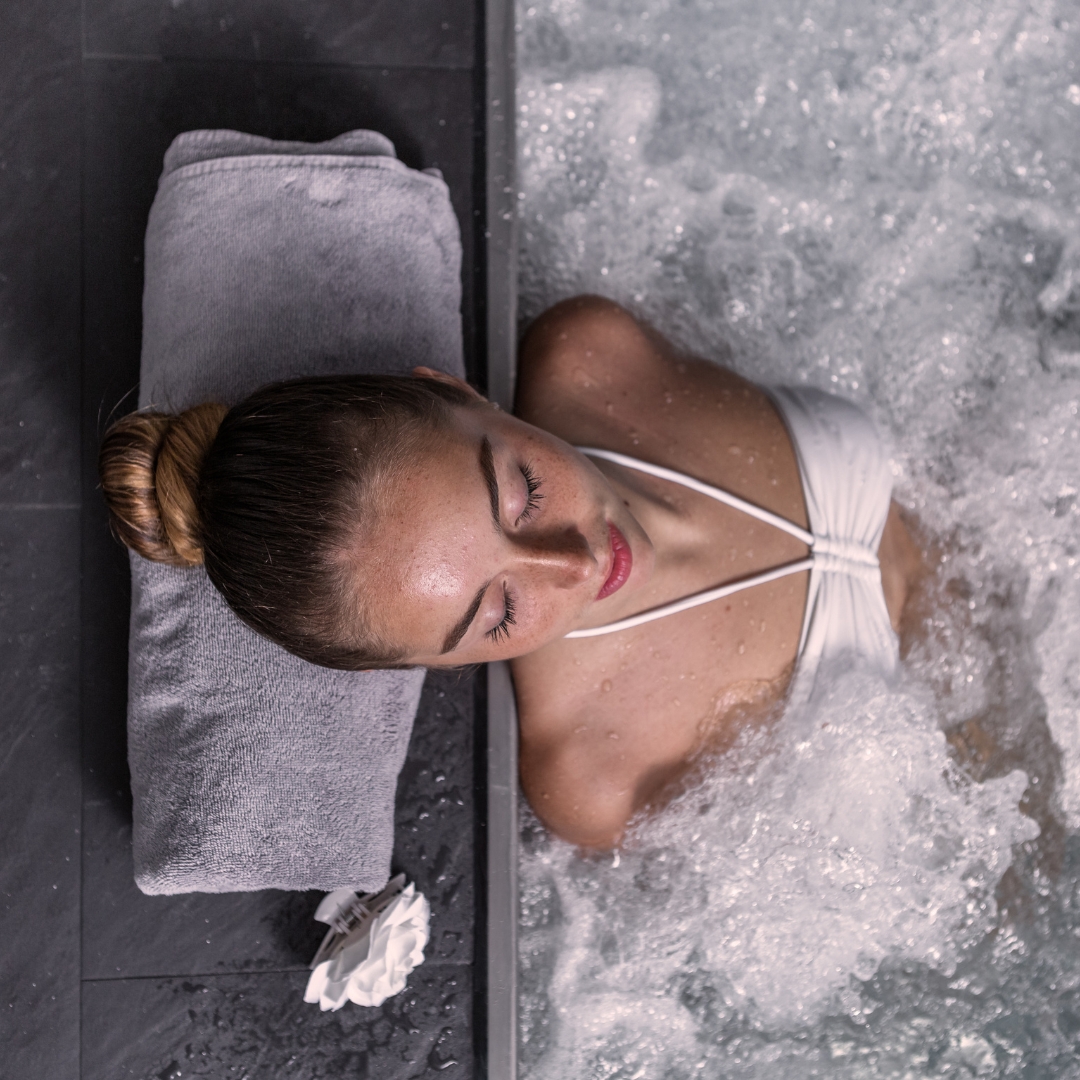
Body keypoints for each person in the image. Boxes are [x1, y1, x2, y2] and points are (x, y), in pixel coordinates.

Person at [100, 295, 924, 849]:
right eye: (495, 614)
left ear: (462, 394)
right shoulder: (596, 773)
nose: (576, 563)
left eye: (523, 491)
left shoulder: (594, 356)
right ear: (434, 665)